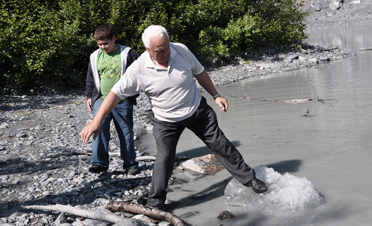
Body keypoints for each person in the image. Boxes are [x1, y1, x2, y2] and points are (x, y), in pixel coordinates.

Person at [81, 25, 268, 209]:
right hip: (166, 120)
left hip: (196, 111)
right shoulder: (138, 68)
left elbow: (200, 72)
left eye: (167, 47)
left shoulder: (181, 50)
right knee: (164, 159)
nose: (166, 53)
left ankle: (249, 179)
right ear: (148, 50)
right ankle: (155, 201)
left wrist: (216, 95)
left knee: (220, 144)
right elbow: (114, 94)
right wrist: (96, 121)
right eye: (160, 51)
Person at [85, 24, 139, 175]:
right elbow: (90, 78)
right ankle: (98, 163)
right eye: (100, 44)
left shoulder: (128, 53)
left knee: (126, 132)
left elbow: (141, 73)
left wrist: (133, 95)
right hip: (101, 99)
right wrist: (89, 96)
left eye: (106, 43)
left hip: (122, 100)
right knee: (99, 129)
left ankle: (130, 164)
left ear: (113, 39)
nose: (103, 47)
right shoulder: (95, 56)